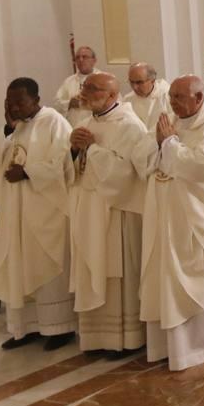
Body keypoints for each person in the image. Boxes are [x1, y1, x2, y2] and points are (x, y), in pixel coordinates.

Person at [135, 76, 204, 371]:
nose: (173, 104)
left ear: (198, 98)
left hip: (193, 222)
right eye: (171, 97)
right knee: (163, 278)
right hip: (166, 216)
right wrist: (160, 144)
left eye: (179, 98)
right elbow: (147, 156)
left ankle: (198, 348)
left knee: (189, 282)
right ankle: (167, 348)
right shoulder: (176, 122)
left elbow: (203, 166)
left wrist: (168, 144)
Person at [0, 78, 77, 351]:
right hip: (17, 212)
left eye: (20, 102)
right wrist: (8, 130)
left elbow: (63, 164)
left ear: (35, 99)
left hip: (46, 211)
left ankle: (59, 327)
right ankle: (27, 327)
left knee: (47, 265)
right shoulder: (15, 127)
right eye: (10, 102)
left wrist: (28, 171)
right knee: (20, 266)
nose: (14, 107)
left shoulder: (53, 122)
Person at [67, 73, 147, 354]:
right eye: (84, 87)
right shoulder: (85, 123)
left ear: (113, 95)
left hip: (116, 213)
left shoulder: (130, 126)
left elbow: (126, 173)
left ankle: (124, 340)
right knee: (92, 268)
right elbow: (71, 169)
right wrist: (73, 150)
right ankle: (95, 337)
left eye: (93, 89)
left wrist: (91, 149)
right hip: (88, 209)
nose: (85, 93)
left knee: (115, 274)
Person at [54, 46, 106, 117]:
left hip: (98, 123)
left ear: (94, 60)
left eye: (85, 57)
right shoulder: (69, 81)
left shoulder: (105, 79)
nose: (80, 60)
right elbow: (57, 104)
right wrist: (70, 103)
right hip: (74, 125)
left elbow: (115, 103)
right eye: (77, 57)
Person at [124, 62, 170, 128]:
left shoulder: (167, 96)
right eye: (131, 82)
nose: (134, 87)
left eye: (139, 82)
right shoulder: (127, 99)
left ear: (152, 80)